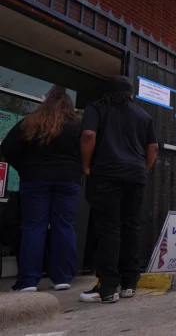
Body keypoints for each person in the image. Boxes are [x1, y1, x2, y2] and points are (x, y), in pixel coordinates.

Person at [79, 76, 159, 303]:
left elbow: (88, 135)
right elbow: (153, 147)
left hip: (106, 173)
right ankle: (130, 282)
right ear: (131, 94)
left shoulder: (97, 108)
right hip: (135, 175)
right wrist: (142, 169)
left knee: (108, 227)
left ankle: (107, 286)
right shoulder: (143, 115)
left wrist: (85, 166)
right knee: (131, 226)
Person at [1, 91, 82, 292]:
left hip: (34, 179)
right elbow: (88, 147)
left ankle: (28, 281)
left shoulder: (31, 122)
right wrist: (77, 168)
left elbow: (7, 147)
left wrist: (24, 167)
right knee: (63, 225)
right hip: (67, 180)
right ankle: (62, 278)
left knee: (33, 227)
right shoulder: (77, 125)